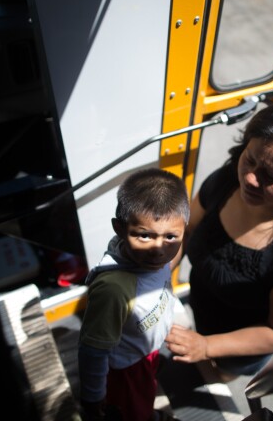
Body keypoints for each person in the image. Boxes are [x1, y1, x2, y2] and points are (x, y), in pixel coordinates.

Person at [165, 100, 273, 377]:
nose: (250, 178)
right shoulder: (225, 181)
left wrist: (207, 346)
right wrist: (160, 270)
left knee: (218, 375)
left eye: (272, 176)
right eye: (250, 159)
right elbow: (186, 231)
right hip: (199, 312)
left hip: (236, 350)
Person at [78, 168, 190, 421]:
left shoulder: (154, 259)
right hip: (126, 369)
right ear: (119, 228)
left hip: (146, 353)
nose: (158, 250)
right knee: (133, 411)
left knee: (146, 395)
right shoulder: (114, 290)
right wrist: (93, 397)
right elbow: (93, 351)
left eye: (171, 236)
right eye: (144, 235)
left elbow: (162, 289)